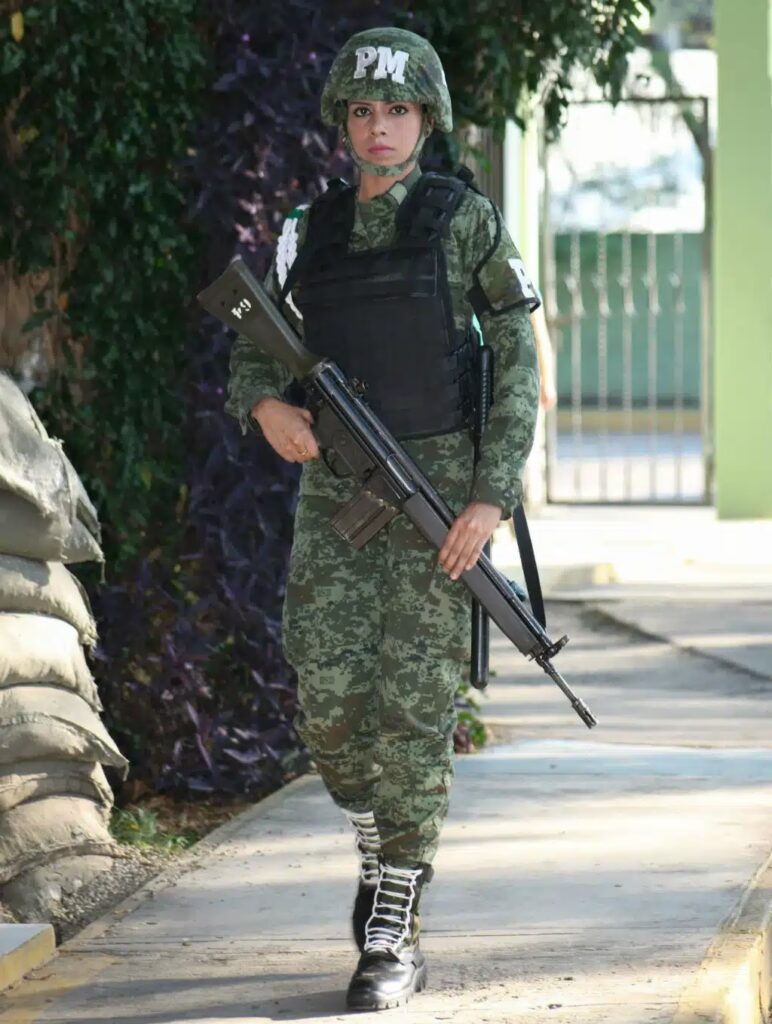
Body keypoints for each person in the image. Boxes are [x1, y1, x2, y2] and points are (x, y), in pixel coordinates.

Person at [225, 26, 540, 1012]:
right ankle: (378, 841)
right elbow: (253, 349)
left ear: (426, 120)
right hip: (335, 504)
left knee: (409, 712)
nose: (377, 126)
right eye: (361, 110)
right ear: (342, 123)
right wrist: (268, 405)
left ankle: (392, 920)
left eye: (396, 110)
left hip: (438, 503)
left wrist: (490, 497)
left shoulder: (465, 222)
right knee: (327, 697)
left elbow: (521, 359)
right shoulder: (303, 231)